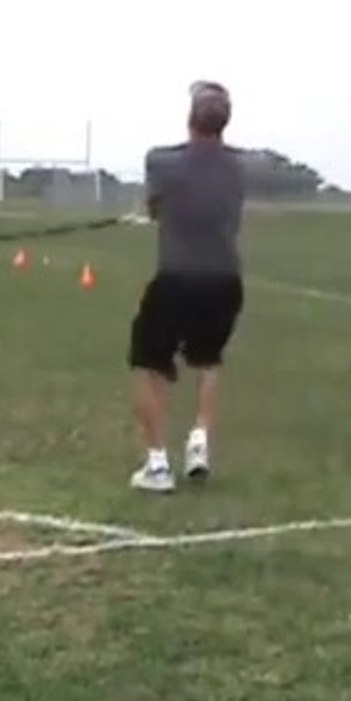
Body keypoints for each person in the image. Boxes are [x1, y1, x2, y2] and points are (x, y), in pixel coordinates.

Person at [127, 80, 246, 493]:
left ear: (190, 118)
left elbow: (156, 207)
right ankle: (200, 440)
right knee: (209, 360)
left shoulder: (161, 161)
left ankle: (158, 464)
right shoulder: (240, 166)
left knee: (148, 362)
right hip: (226, 280)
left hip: (178, 277)